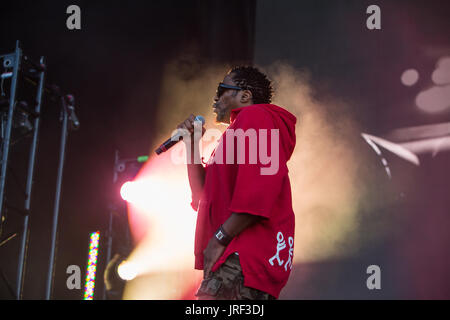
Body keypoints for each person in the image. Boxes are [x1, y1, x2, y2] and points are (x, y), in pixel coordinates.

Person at [178, 66, 297, 300]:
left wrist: (219, 238)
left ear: (245, 95)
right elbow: (202, 197)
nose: (215, 99)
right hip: (230, 255)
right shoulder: (234, 134)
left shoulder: (258, 117)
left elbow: (259, 197)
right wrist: (192, 145)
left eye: (222, 90)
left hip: (243, 257)